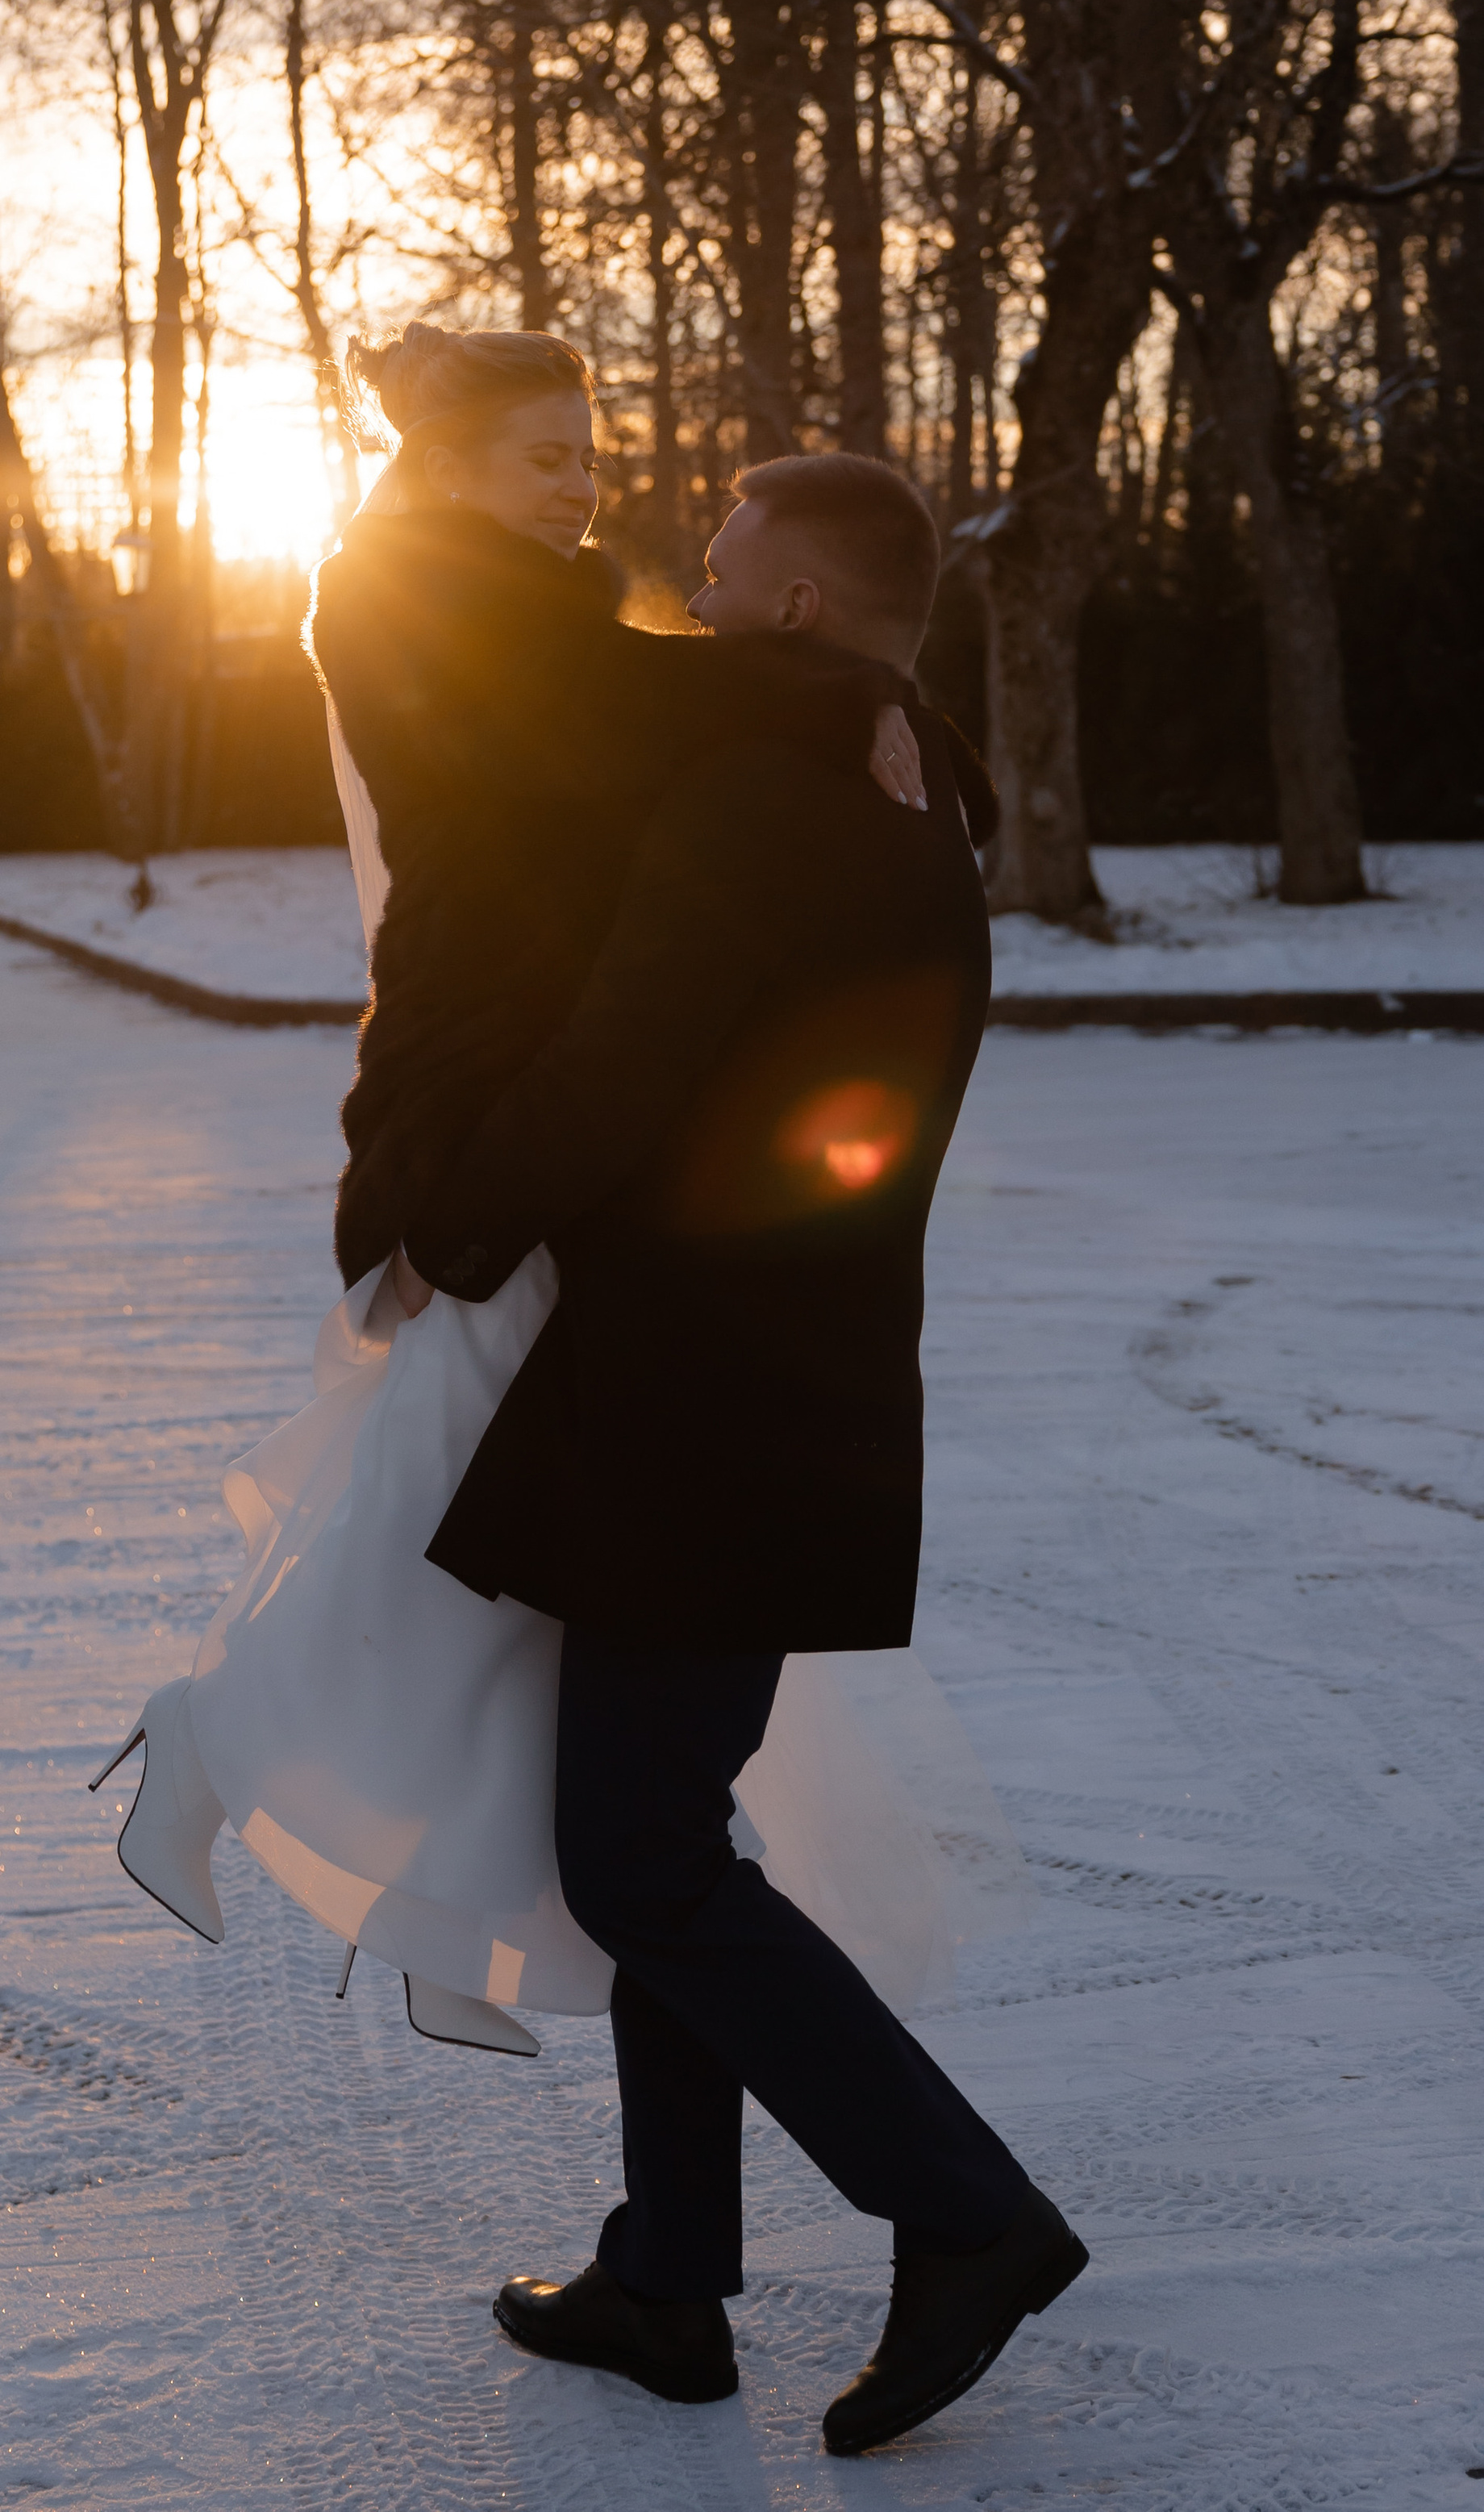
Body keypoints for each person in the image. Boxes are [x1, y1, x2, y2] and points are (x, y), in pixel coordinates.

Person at [96, 323, 1028, 2062]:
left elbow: (677, 713)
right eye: (543, 457)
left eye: (587, 456)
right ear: (444, 471)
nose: (583, 485)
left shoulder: (515, 602)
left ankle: (448, 1898)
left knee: (492, 1559)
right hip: (476, 1112)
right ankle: (226, 1747)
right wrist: (868, 691)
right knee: (438, 1530)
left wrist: (872, 706)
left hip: (513, 1108)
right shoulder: (416, 598)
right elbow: (666, 704)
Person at [399, 451, 1087, 2454]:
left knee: (638, 1855)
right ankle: (664, 2280)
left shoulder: (770, 789)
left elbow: (622, 1053)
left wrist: (447, 1214)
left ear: (794, 609)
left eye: (714, 571)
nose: (685, 600)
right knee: (657, 1838)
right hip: (783, 1382)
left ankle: (966, 2215)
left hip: (704, 1396)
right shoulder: (901, 782)